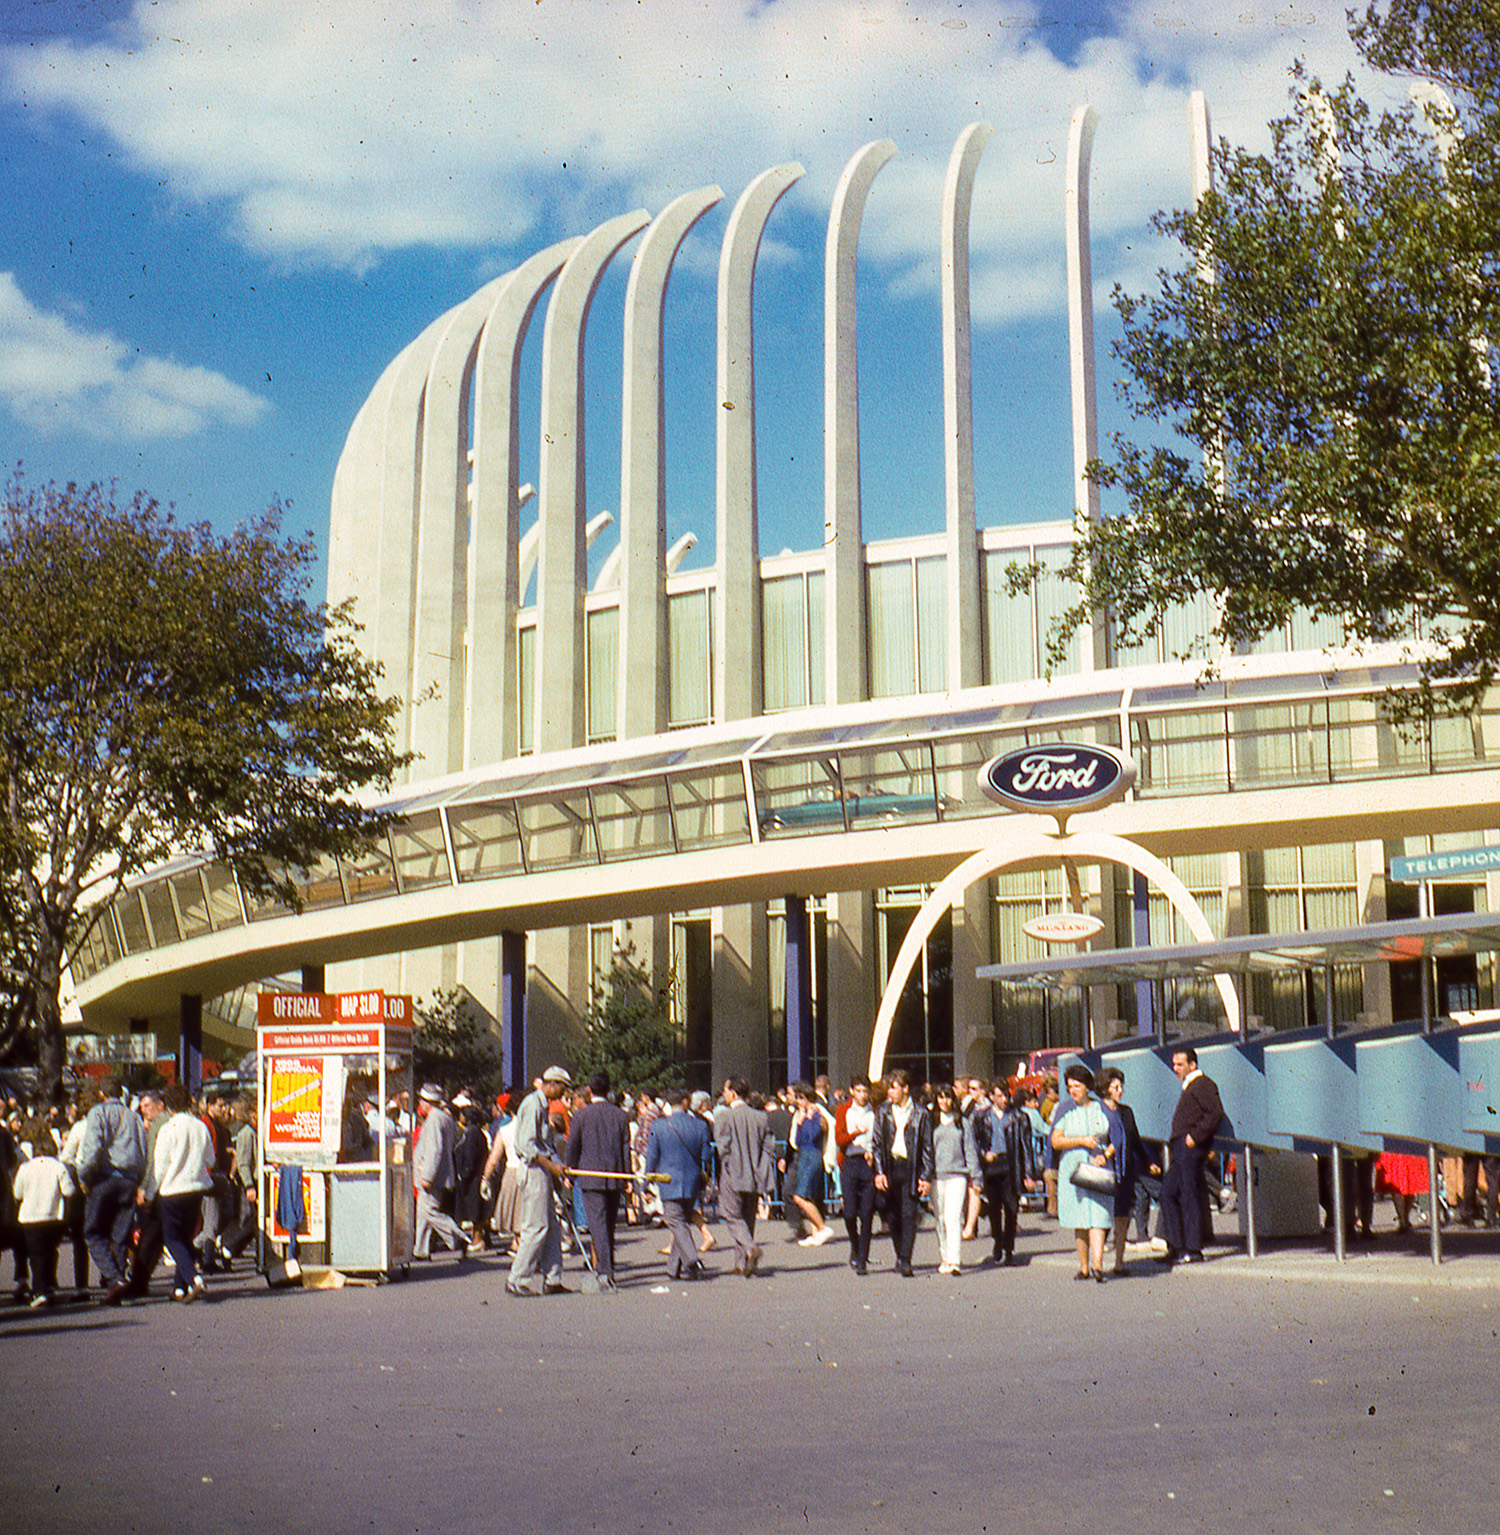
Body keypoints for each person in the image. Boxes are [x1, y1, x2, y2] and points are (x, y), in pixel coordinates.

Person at [78, 1074, 146, 1305]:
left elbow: (93, 1150)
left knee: (93, 1232)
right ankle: (116, 1289)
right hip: (129, 1180)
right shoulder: (134, 1117)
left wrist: (84, 1175)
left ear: (101, 1093)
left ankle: (115, 1279)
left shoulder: (98, 1113)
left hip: (105, 1177)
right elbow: (143, 1152)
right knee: (120, 1234)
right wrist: (139, 1181)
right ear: (121, 1093)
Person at [507, 1066, 573, 1297]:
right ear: (552, 1084)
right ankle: (517, 1279)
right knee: (536, 1227)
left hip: (543, 1170)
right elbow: (528, 1146)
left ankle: (553, 1279)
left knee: (552, 1228)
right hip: (533, 1170)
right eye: (562, 1088)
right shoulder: (532, 1104)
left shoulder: (543, 1105)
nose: (563, 1094)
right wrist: (552, 1166)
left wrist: (559, 1167)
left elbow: (545, 1145)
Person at [148, 1082, 215, 1302]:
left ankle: (194, 1278)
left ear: (168, 1107)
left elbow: (160, 1166)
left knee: (172, 1238)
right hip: (196, 1188)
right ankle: (179, 1288)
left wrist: (152, 1193)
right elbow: (210, 1160)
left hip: (172, 1189)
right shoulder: (200, 1126)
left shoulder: (168, 1129)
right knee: (186, 1237)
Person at [1051, 1063, 1118, 1284]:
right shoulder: (1064, 1110)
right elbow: (1055, 1140)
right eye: (1070, 1086)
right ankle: (1084, 1267)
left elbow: (1115, 1140)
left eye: (1077, 1086)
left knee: (1098, 1215)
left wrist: (1105, 1156)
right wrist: (1080, 1141)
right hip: (1073, 1169)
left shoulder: (1102, 1109)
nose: (1073, 1091)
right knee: (1080, 1219)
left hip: (1098, 1168)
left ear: (1087, 1086)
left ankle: (1098, 1265)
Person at [565, 1071, 632, 1288]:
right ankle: (606, 1265)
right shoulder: (621, 1115)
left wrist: (570, 1172)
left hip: (590, 1175)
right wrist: (627, 1176)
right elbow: (625, 1149)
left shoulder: (581, 1115)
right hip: (614, 1175)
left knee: (597, 1224)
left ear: (588, 1090)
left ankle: (605, 1270)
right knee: (609, 1224)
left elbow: (573, 1145)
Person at [1159, 1046, 1224, 1266]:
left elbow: (1215, 1112)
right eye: (1174, 1063)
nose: (1175, 1068)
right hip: (1182, 1147)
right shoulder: (1191, 1086)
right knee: (1168, 1192)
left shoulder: (1202, 1084)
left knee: (1188, 1195)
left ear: (1192, 1065)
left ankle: (1193, 1248)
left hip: (1190, 1148)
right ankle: (1176, 1246)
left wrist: (1195, 1137)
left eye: (1179, 1064)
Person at [872, 1069, 934, 1278]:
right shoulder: (883, 1111)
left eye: (894, 1087)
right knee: (891, 1215)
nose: (890, 1092)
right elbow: (877, 1143)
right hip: (890, 1167)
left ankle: (906, 1259)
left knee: (908, 1214)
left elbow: (927, 1147)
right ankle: (900, 1253)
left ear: (905, 1089)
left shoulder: (921, 1113)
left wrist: (925, 1177)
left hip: (910, 1168)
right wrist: (879, 1172)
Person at [646, 1088, 712, 1280]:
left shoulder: (658, 1126)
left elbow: (652, 1156)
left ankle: (692, 1260)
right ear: (685, 1102)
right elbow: (706, 1155)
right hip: (692, 1180)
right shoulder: (700, 1125)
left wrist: (646, 1182)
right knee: (681, 1221)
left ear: (668, 1103)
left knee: (675, 1221)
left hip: (668, 1180)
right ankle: (673, 1268)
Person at [1097, 1066, 1156, 1275]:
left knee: (1122, 1217)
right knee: (1102, 1218)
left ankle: (1119, 1262)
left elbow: (1135, 1140)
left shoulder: (1126, 1112)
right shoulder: (1097, 1111)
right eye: (1115, 1087)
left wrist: (1148, 1161)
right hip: (1105, 1171)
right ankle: (1096, 1263)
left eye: (1121, 1086)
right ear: (1105, 1088)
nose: (1119, 1090)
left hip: (1125, 1172)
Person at [715, 1077, 775, 1277]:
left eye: (725, 1090)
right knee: (748, 1217)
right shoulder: (760, 1117)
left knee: (731, 1215)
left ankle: (750, 1248)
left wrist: (729, 1166)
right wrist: (761, 1167)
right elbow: (769, 1146)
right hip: (755, 1173)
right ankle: (742, 1264)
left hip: (733, 1174)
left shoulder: (724, 1116)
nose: (723, 1093)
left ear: (732, 1092)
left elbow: (723, 1148)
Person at [972, 1079, 1034, 1266]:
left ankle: (1008, 1247)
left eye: (1006, 1095)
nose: (1004, 1099)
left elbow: (1026, 1147)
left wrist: (1029, 1174)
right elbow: (975, 1143)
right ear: (991, 1097)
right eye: (999, 1095)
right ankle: (998, 1240)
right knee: (993, 1208)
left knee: (1011, 1207)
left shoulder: (1019, 1117)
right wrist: (984, 1154)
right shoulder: (982, 1117)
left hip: (1011, 1164)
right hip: (992, 1166)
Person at [13, 1123, 75, 1308]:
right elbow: (69, 1191)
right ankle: (48, 1285)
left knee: (36, 1255)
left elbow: (17, 1193)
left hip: (30, 1218)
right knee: (50, 1252)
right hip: (53, 1216)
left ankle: (39, 1290)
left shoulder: (25, 1167)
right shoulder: (58, 1166)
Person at [413, 1083, 477, 1261]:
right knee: (424, 1213)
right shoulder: (445, 1118)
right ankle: (421, 1249)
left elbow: (434, 1150)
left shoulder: (433, 1120)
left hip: (431, 1174)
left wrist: (427, 1176)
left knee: (429, 1211)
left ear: (427, 1102)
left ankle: (458, 1238)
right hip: (441, 1173)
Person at [930, 1084, 980, 1276]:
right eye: (941, 1097)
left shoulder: (962, 1123)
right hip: (936, 1177)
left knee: (954, 1217)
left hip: (957, 1175)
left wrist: (975, 1177)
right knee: (940, 1218)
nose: (945, 1101)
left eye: (948, 1097)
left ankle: (955, 1260)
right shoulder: (931, 1122)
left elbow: (970, 1150)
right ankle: (944, 1256)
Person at [781, 1083, 833, 1247]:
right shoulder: (802, 1115)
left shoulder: (817, 1115)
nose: (797, 1102)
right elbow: (797, 1141)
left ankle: (822, 1227)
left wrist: (808, 1120)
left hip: (812, 1156)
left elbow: (812, 1135)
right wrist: (800, 1122)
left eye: (800, 1098)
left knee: (799, 1196)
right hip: (804, 1154)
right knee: (807, 1195)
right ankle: (815, 1231)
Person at [835, 1075, 877, 1275]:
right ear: (851, 1091)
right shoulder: (844, 1110)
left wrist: (874, 1153)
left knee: (867, 1214)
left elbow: (880, 1138)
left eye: (865, 1091)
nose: (862, 1095)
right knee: (850, 1213)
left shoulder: (874, 1111)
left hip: (868, 1164)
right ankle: (855, 1245)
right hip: (850, 1163)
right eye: (858, 1091)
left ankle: (862, 1260)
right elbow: (839, 1139)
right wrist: (856, 1134)